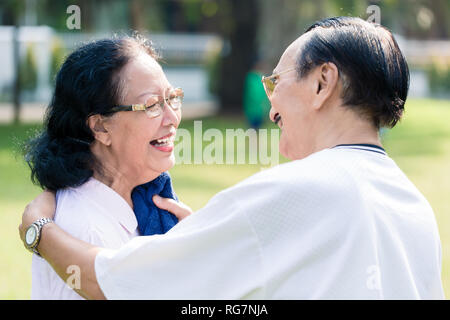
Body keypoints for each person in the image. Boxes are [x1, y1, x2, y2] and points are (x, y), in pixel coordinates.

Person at [19, 17, 445, 299]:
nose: (271, 105)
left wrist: (38, 229)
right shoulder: (415, 209)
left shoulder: (293, 192)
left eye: (275, 81)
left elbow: (108, 281)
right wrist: (209, 248)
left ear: (322, 83)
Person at [22, 36, 188, 299]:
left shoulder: (148, 203)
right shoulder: (86, 232)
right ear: (100, 127)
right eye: (152, 105)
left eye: (172, 98)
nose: (172, 118)